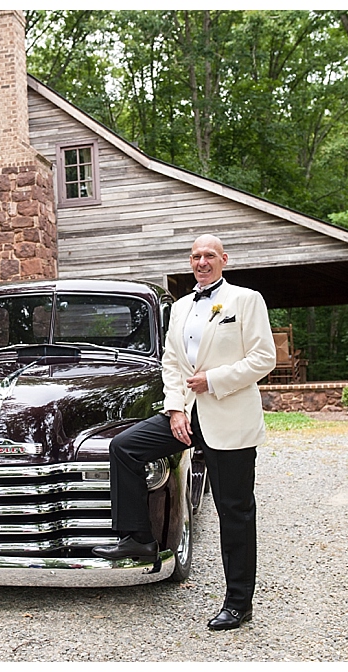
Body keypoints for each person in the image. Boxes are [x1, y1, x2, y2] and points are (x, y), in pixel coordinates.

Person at [93, 234, 276, 631]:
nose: (201, 262)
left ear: (223, 259)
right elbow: (171, 362)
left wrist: (214, 380)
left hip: (229, 419)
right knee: (125, 447)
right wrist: (175, 409)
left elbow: (264, 358)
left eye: (209, 255)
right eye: (195, 256)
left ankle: (238, 603)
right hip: (186, 415)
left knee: (235, 511)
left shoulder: (246, 300)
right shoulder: (179, 308)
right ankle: (138, 537)